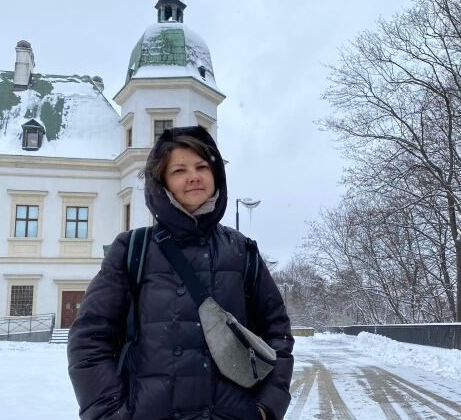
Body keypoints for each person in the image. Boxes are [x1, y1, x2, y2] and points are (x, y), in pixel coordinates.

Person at [67, 126, 294, 420]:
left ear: (216, 175)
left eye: (202, 166)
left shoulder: (242, 251)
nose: (194, 176)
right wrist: (110, 413)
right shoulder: (132, 249)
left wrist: (266, 407)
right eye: (179, 170)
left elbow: (277, 333)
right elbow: (89, 339)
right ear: (162, 182)